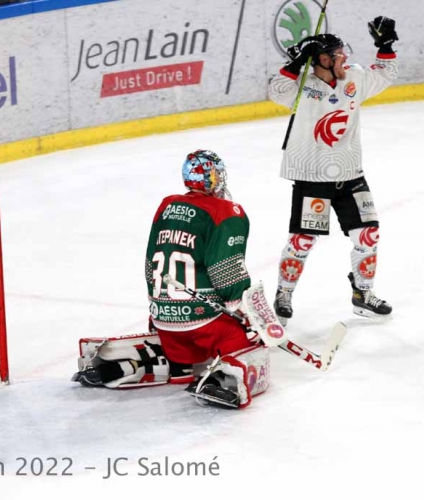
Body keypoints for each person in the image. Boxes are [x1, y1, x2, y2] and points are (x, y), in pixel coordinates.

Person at [72, 150, 270, 409]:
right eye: (217, 173)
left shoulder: (166, 206)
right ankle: (221, 380)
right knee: (250, 340)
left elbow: (149, 261)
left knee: (181, 346)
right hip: (204, 324)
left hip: (165, 321)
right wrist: (245, 311)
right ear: (210, 178)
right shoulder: (227, 212)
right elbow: (226, 269)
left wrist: (158, 309)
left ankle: (140, 366)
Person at [267, 17, 400, 324]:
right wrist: (297, 60)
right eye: (339, 54)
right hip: (313, 179)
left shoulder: (354, 78)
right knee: (303, 240)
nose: (345, 58)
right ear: (324, 60)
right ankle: (284, 293)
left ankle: (363, 294)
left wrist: (386, 44)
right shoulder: (304, 88)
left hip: (351, 174)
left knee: (368, 234)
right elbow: (277, 91)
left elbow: (386, 72)